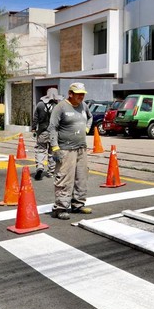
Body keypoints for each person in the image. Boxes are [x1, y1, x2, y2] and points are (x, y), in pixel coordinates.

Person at [47, 82, 93, 220]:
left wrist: (86, 128)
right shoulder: (61, 107)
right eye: (78, 94)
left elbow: (90, 117)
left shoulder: (84, 106)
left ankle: (78, 204)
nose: (81, 97)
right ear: (70, 94)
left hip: (81, 148)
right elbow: (52, 127)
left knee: (81, 178)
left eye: (83, 94)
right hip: (66, 149)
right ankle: (60, 208)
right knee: (64, 178)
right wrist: (55, 147)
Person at [32, 88, 63, 181]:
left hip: (42, 132)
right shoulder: (58, 106)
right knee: (52, 152)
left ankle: (40, 167)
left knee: (40, 150)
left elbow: (35, 118)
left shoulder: (40, 105)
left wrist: (33, 129)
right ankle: (51, 172)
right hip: (54, 133)